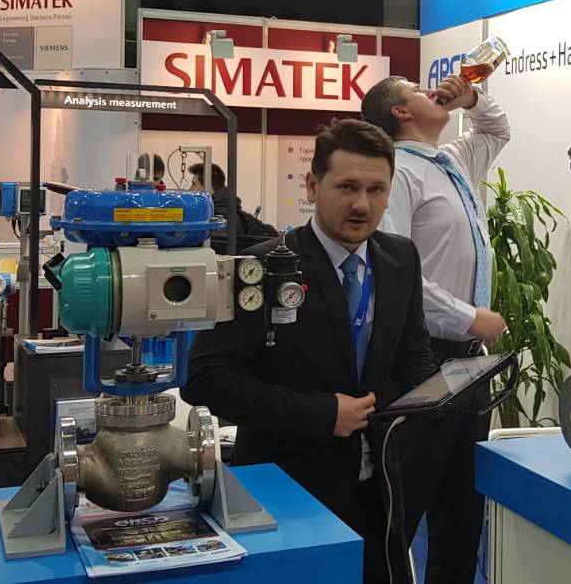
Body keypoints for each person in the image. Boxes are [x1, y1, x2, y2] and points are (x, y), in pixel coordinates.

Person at [183, 119, 437, 584]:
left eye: (377, 190)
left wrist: (434, 397)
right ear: (313, 185)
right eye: (347, 187)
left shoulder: (400, 259)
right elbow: (206, 380)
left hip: (380, 488)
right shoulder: (261, 267)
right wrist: (321, 414)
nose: (362, 204)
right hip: (288, 491)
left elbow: (413, 355)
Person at [364, 73, 508, 584]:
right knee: (402, 510)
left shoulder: (451, 160)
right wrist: (469, 316)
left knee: (463, 511)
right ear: (400, 112)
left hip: (469, 363)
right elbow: (396, 272)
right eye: (418, 91)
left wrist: (472, 97)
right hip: (422, 358)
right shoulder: (398, 172)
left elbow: (496, 130)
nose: (435, 92)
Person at [187, 161, 277, 254]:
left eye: (194, 184)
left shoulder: (221, 218)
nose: (190, 189)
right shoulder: (226, 211)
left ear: (208, 186)